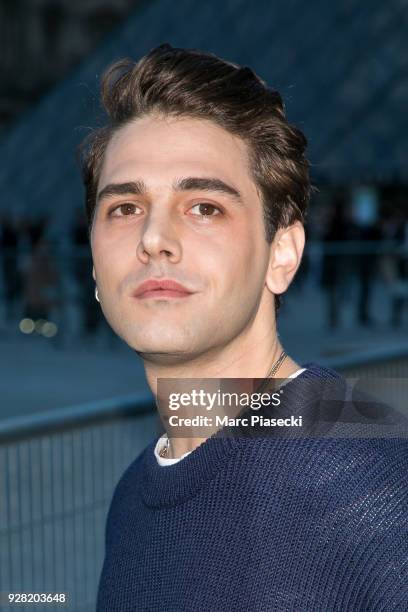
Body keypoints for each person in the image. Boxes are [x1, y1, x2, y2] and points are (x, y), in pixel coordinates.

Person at [78, 44, 408, 611]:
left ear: (282, 252)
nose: (154, 238)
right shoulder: (133, 496)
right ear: (92, 265)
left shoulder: (377, 493)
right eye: (125, 208)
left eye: (204, 206)